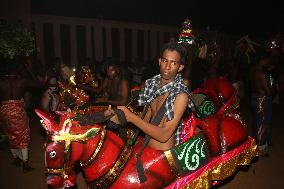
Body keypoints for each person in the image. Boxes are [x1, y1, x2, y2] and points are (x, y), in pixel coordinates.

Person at [108, 41, 194, 150]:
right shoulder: (152, 86)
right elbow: (145, 119)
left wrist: (131, 117)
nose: (167, 67)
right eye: (165, 61)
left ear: (180, 67)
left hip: (163, 156)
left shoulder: (180, 95)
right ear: (159, 61)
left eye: (173, 63)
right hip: (146, 149)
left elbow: (164, 135)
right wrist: (119, 116)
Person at [0, 60, 41, 172]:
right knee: (23, 134)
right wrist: (31, 70)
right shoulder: (22, 81)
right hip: (17, 109)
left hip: (4, 109)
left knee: (10, 133)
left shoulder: (2, 81)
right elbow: (38, 84)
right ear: (17, 69)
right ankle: (25, 164)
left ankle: (16, 158)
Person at [250, 50, 272, 155]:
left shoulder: (253, 70)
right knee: (263, 123)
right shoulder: (262, 73)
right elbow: (268, 91)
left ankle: (261, 142)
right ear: (262, 61)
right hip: (262, 100)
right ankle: (261, 147)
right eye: (267, 60)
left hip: (254, 97)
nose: (269, 62)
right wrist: (274, 89)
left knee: (257, 121)